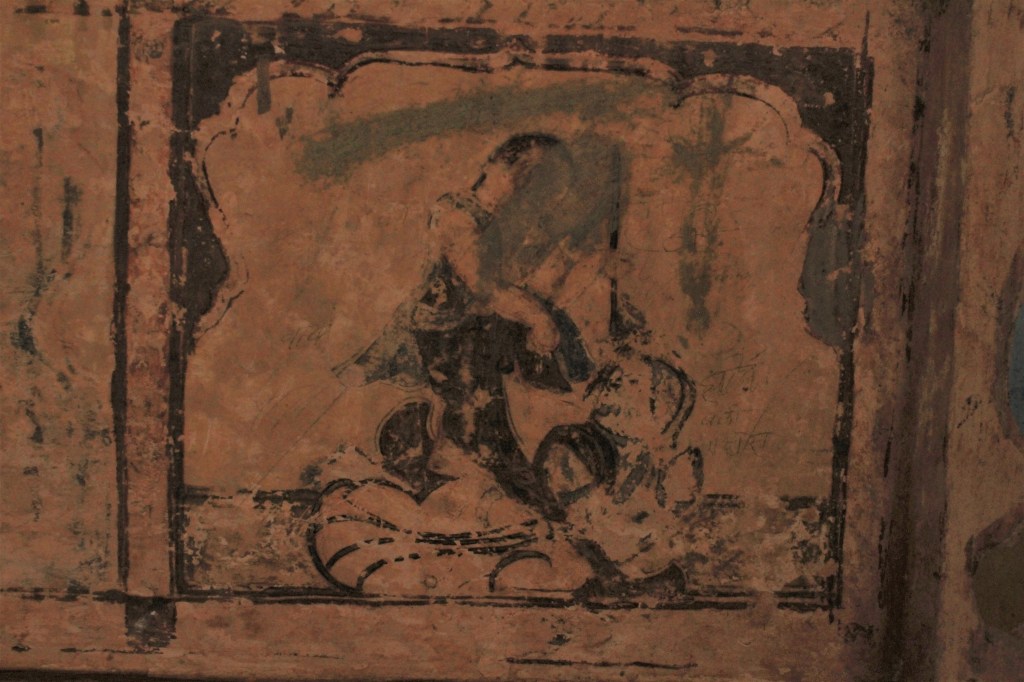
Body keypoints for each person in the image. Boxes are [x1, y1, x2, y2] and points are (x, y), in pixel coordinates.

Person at [309, 133, 702, 596]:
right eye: (539, 185)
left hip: (477, 351)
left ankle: (597, 565)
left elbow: (516, 291)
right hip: (451, 349)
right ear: (513, 171)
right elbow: (482, 286)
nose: (536, 200)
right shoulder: (457, 215)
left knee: (510, 458)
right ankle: (596, 568)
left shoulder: (496, 228)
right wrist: (537, 317)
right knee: (498, 456)